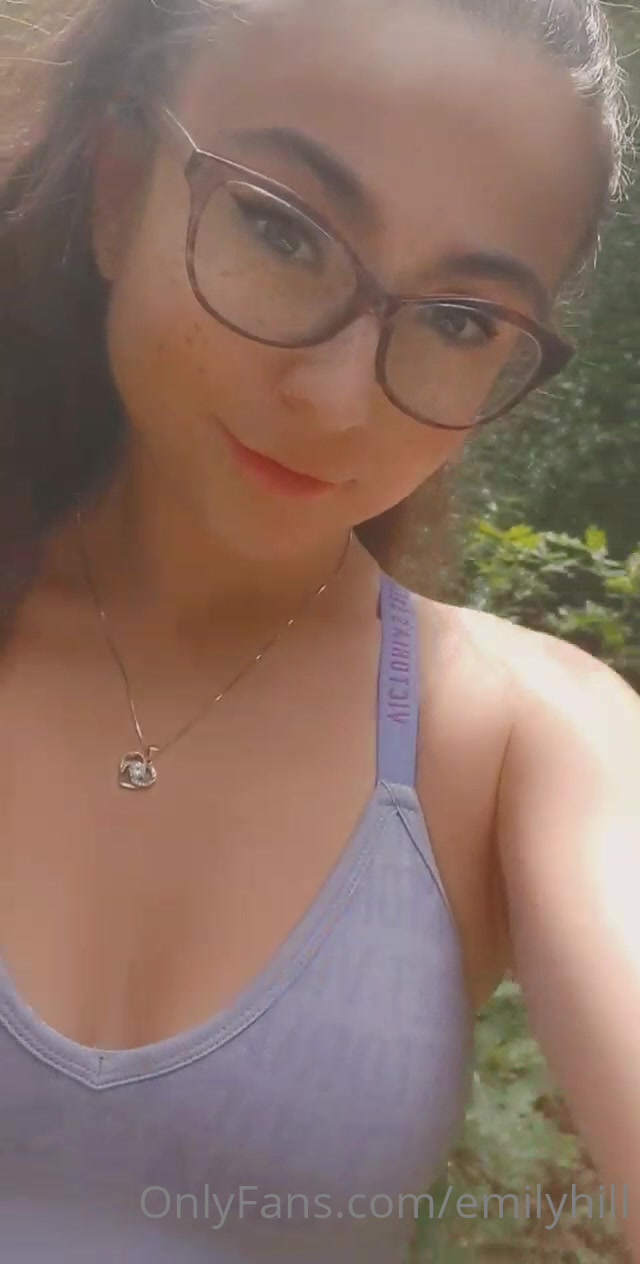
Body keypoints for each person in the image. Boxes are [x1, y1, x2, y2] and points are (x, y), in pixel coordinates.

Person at [0, 0, 638, 1259]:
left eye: (461, 320)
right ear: (120, 191)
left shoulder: (520, 739)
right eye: (282, 229)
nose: (339, 398)